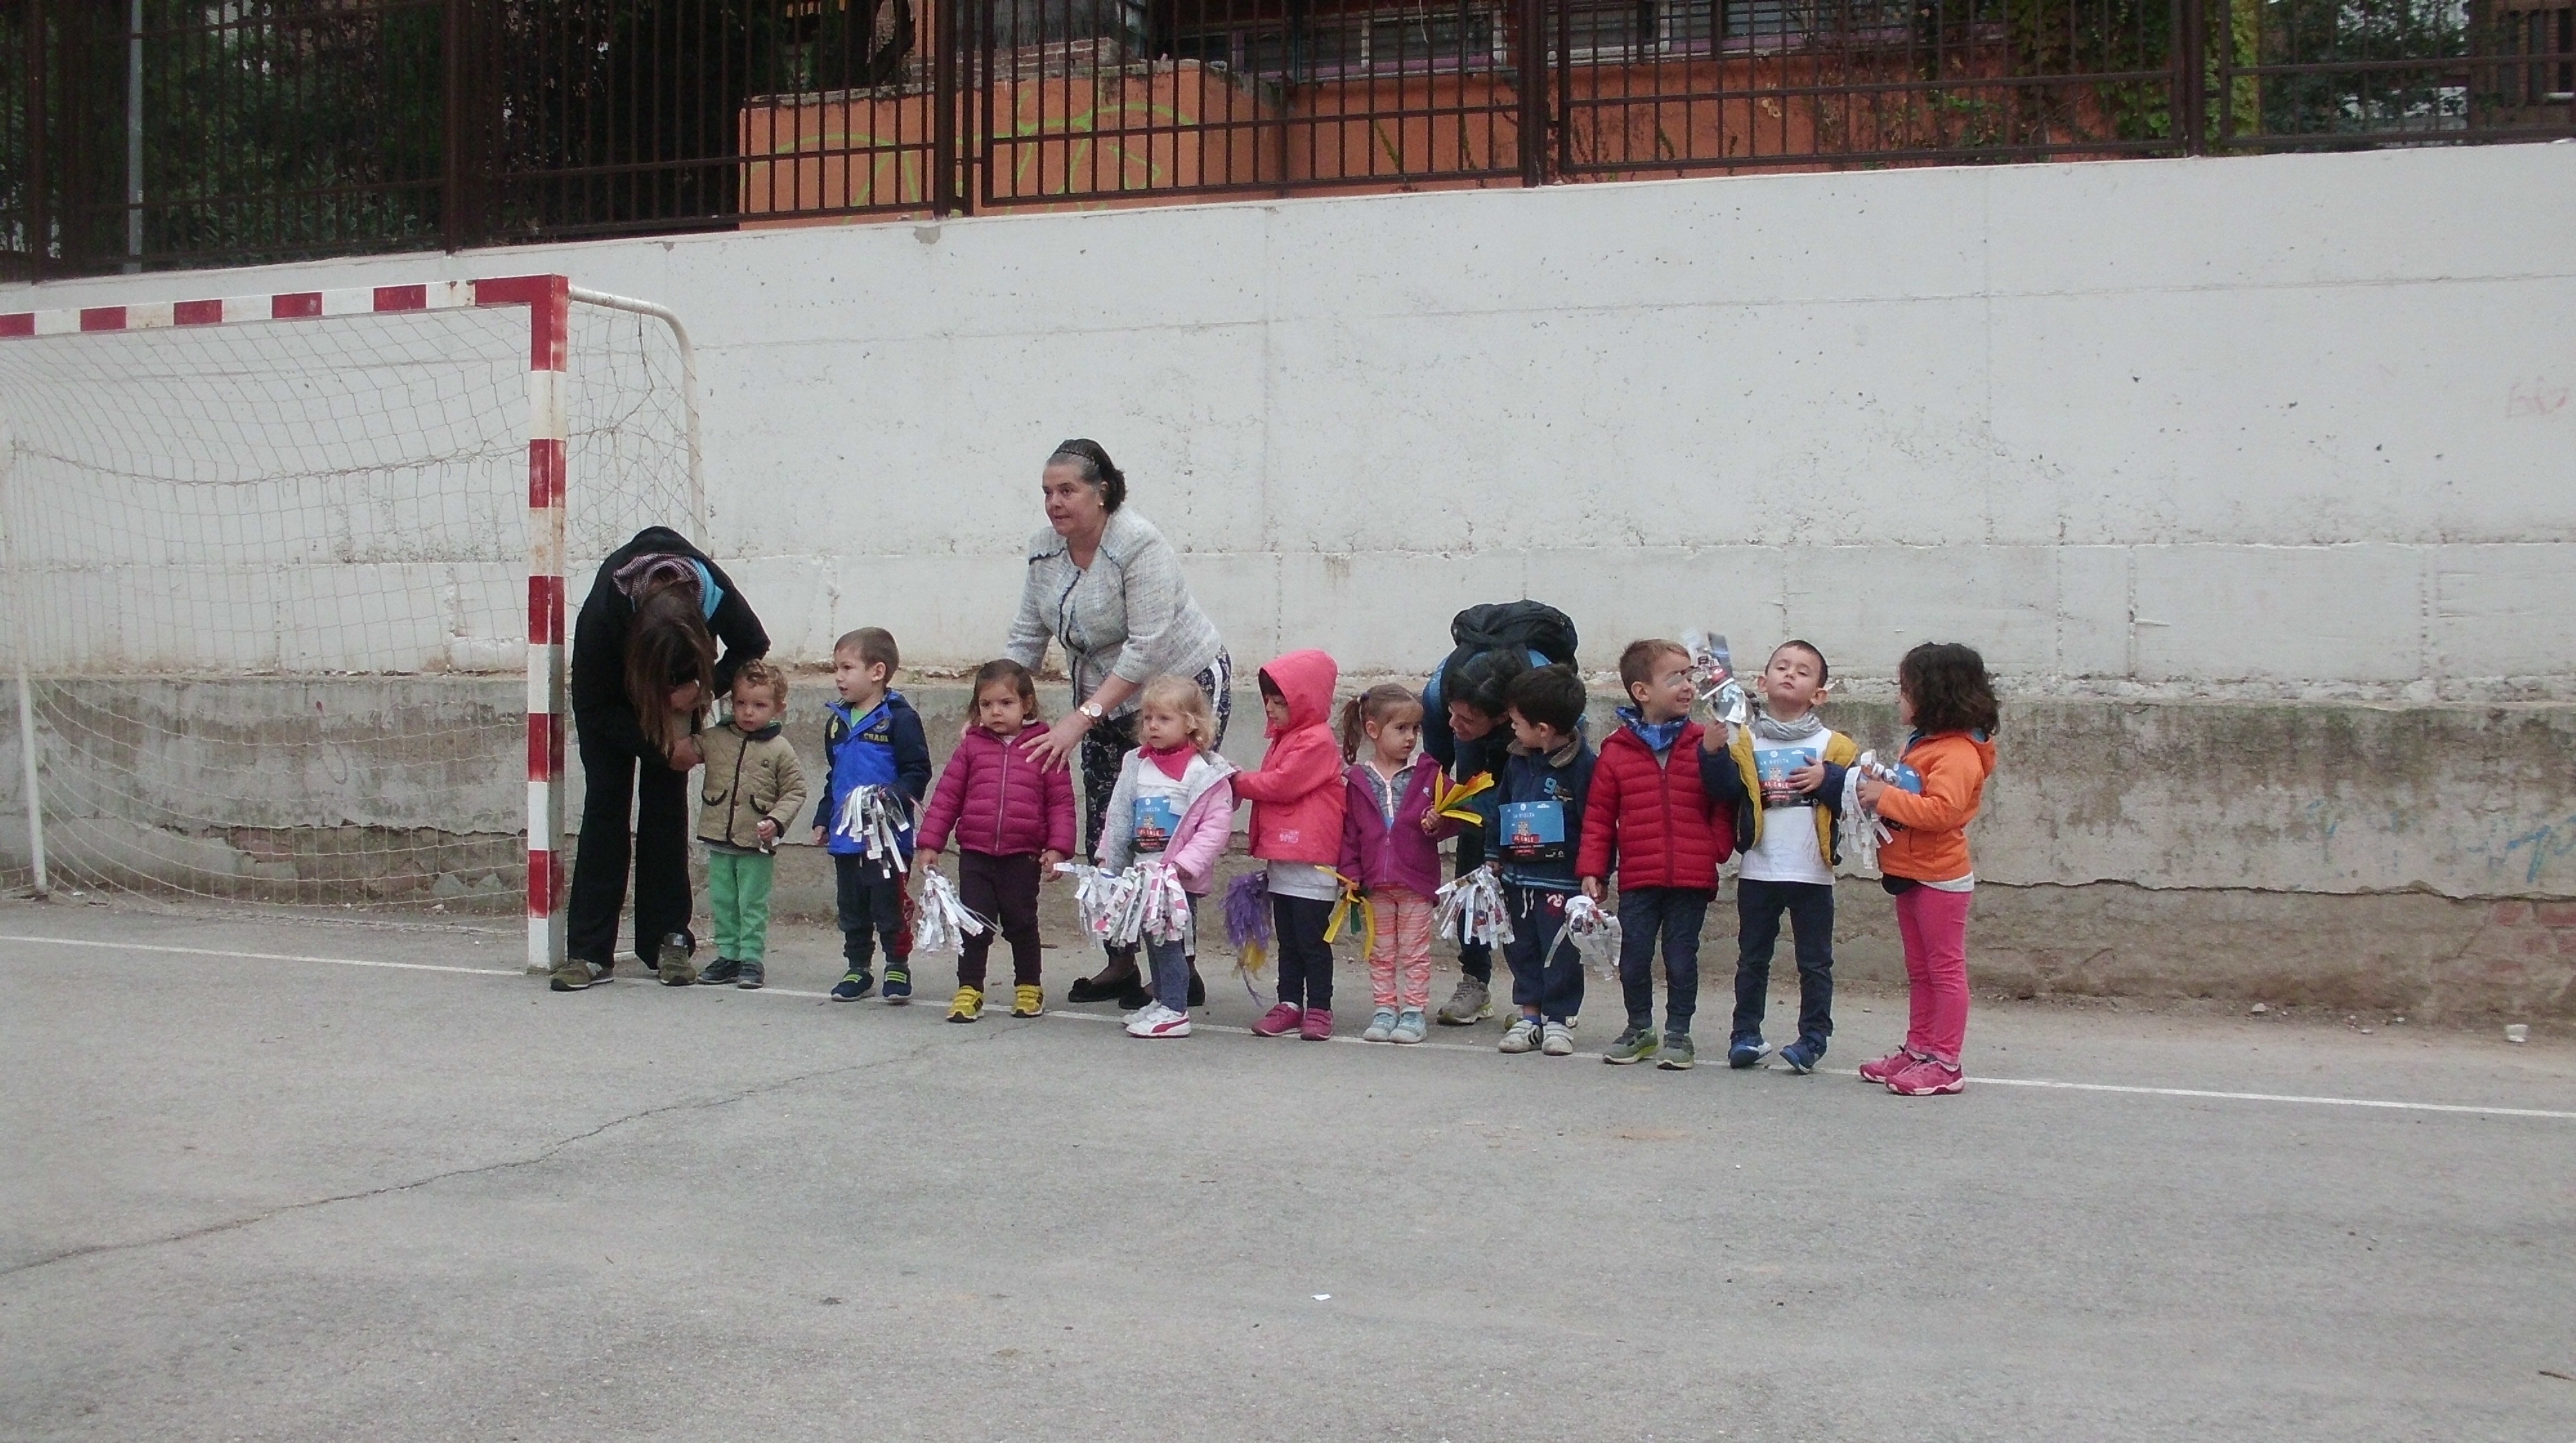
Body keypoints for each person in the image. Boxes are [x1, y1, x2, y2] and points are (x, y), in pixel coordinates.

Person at [1004, 439, 1231, 1010]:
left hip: (1178, 693)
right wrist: (997, 706)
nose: (1055, 503)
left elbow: (1147, 647)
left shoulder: (1139, 544)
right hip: (1102, 703)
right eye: (1047, 492)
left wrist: (1080, 719)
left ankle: (1178, 971)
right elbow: (1027, 635)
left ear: (1102, 492)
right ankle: (1121, 960)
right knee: (1110, 831)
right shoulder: (1043, 550)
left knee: (1166, 836)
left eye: (1068, 490)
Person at [559, 526, 770, 994]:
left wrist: (702, 686)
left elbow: (752, 644)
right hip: (612, 697)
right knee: (606, 806)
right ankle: (589, 951)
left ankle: (668, 938)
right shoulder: (604, 615)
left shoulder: (714, 591)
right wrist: (658, 746)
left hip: (683, 689)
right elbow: (593, 706)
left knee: (666, 807)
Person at [1703, 640, 1860, 1074]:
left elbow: (1854, 802)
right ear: (1762, 681)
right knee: (1752, 958)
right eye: (1782, 667)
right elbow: (1724, 792)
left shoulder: (1835, 746)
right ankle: (1745, 1035)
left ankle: (1813, 1039)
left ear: (1820, 694)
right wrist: (1712, 753)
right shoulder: (1743, 739)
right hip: (1760, 868)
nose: (1790, 674)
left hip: (1813, 873)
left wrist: (1828, 778)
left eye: (1803, 672)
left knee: (1815, 963)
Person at [1576, 640, 1733, 1071]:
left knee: (1681, 960)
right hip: (1639, 877)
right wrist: (1593, 869)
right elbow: (1599, 816)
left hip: (1691, 876)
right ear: (1642, 691)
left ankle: (1679, 1034)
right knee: (1634, 957)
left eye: (1691, 676)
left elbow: (1726, 799)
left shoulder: (1704, 740)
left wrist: (1716, 846)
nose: (1688, 686)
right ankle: (1640, 1028)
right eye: (1676, 677)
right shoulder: (1616, 750)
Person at [1853, 642, 2000, 1097]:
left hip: (1939, 877)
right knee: (1920, 970)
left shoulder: (1956, 753)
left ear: (1934, 695)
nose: (1900, 698)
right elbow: (1915, 793)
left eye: (1906, 689)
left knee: (1944, 970)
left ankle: (1946, 1062)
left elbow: (1942, 812)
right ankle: (1919, 1049)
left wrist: (1885, 797)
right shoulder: (1925, 744)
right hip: (1911, 871)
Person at [1423, 601, 1578, 1027]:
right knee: (1474, 868)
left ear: (1503, 717)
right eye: (1452, 713)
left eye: (1466, 718)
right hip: (1482, 752)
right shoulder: (1439, 694)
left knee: (1536, 880)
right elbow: (1434, 766)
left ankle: (1549, 998)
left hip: (1539, 760)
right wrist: (1441, 808)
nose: (1454, 723)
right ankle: (1474, 981)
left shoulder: (1545, 703)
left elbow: (1568, 772)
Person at [914, 659, 1076, 1023]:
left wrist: (1058, 848)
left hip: (1023, 856)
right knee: (974, 923)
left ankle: (1029, 986)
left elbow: (1061, 803)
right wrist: (930, 844)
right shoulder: (971, 748)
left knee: (1022, 923)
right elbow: (946, 798)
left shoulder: (1046, 746)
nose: (996, 712)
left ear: (1027, 705)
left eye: (1006, 703)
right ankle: (969, 988)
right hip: (976, 854)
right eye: (986, 705)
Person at [1095, 677, 1238, 1039]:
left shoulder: (1204, 773)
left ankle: (1175, 1009)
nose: (1152, 726)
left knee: (1172, 942)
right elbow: (1119, 816)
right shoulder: (1136, 764)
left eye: (1164, 719)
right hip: (1142, 874)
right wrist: (1109, 860)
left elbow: (1215, 826)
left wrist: (1184, 865)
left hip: (1175, 877)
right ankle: (1161, 999)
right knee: (1153, 940)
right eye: (1148, 718)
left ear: (1190, 723)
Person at [812, 627, 933, 1004]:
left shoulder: (899, 719)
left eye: (847, 668)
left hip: (886, 838)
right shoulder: (837, 721)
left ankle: (897, 965)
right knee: (852, 906)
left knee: (888, 905)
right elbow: (835, 776)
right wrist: (824, 816)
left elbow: (917, 770)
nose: (839, 677)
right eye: (836, 668)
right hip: (847, 836)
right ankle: (858, 967)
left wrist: (892, 797)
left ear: (877, 672)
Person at [1239, 651, 1350, 1042]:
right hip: (1286, 860)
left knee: (1312, 942)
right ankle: (1289, 1003)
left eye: (1280, 702)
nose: (1270, 709)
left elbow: (1282, 784)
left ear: (1305, 701)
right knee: (1288, 941)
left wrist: (1235, 780)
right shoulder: (1285, 738)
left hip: (1312, 863)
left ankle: (1319, 1007)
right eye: (1267, 701)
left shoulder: (1317, 740)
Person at [1491, 664, 1596, 1057]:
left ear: (1544, 729)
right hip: (1518, 879)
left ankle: (1559, 1020)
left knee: (1561, 950)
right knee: (1520, 947)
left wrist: (1594, 872)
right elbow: (1502, 809)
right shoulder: (1517, 760)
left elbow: (1596, 822)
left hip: (1561, 882)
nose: (1512, 729)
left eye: (1517, 723)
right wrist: (1493, 856)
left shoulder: (1584, 767)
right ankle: (1529, 1016)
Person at [1338, 683, 1447, 1044]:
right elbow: (1350, 833)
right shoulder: (1357, 780)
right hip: (1376, 885)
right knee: (1381, 952)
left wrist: (1440, 822)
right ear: (1373, 730)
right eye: (1401, 729)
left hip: (1415, 882)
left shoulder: (1428, 773)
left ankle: (1414, 1013)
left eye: (1415, 729)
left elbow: (1458, 812)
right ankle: (1385, 1009)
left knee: (1415, 952)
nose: (1411, 738)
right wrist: (1350, 874)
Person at [691, 662, 808, 993]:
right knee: (723, 900)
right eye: (740, 703)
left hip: (757, 843)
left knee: (752, 902)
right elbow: (685, 750)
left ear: (778, 708)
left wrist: (776, 821)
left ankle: (752, 957)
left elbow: (796, 790)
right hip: (719, 839)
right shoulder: (715, 738)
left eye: (759, 705)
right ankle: (728, 955)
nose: (747, 712)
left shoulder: (780, 749)